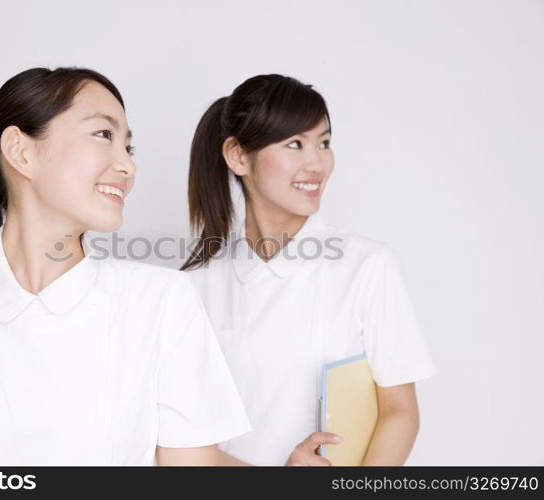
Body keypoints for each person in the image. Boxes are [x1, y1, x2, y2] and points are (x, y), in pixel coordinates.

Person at [0, 66, 250, 466]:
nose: (127, 166)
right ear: (21, 151)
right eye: (104, 135)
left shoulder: (161, 301)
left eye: (128, 147)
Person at [181, 74, 437, 466]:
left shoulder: (367, 266)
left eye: (324, 143)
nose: (316, 163)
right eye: (295, 144)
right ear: (237, 156)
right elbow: (186, 441)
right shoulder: (195, 286)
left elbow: (400, 412)